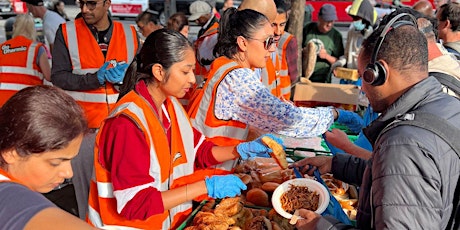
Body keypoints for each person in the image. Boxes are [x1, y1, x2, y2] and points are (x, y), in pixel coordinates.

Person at [87, 28, 276, 229]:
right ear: (159, 71)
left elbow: (199, 151)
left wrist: (241, 149)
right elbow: (136, 203)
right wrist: (205, 187)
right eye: (185, 71)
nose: (193, 80)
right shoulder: (127, 124)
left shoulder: (170, 106)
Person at [292, 12, 460, 229]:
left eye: (363, 76)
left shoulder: (402, 144)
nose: (362, 87)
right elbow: (403, 179)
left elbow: (402, 170)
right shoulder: (449, 106)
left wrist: (322, 227)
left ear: (380, 73)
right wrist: (336, 164)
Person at [188, 8, 363, 171]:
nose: (272, 49)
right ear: (242, 43)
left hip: (209, 167)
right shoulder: (238, 78)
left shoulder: (226, 67)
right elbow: (291, 119)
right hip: (207, 173)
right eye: (267, 42)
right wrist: (335, 114)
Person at [51, 0, 139, 220]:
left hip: (122, 125)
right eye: (81, 3)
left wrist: (126, 79)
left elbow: (140, 77)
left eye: (91, 4)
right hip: (84, 128)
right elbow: (59, 77)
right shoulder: (67, 32)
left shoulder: (129, 32)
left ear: (107, 3)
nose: (84, 10)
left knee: (122, 189)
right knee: (85, 195)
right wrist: (95, 79)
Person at [0, 85, 92, 229]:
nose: (69, 173)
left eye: (70, 160)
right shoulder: (8, 196)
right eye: (55, 163)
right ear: (12, 152)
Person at [0, 14, 50, 107]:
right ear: (32, 29)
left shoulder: (2, 48)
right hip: (27, 101)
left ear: (15, 27)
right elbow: (49, 76)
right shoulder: (37, 48)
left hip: (3, 101)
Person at [332, 0, 377, 82]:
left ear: (365, 19)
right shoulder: (351, 32)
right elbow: (346, 56)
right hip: (348, 77)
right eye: (353, 18)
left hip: (362, 80)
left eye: (357, 18)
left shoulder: (372, 37)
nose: (354, 21)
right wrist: (339, 64)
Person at [302, 4, 344, 83]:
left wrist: (326, 56)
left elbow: (340, 62)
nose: (329, 24)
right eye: (327, 21)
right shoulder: (308, 29)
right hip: (304, 77)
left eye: (332, 21)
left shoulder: (336, 36)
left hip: (323, 79)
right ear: (319, 18)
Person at [273, 0, 298, 99]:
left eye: (282, 25)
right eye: (273, 25)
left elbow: (293, 75)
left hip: (282, 98)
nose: (278, 31)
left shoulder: (289, 41)